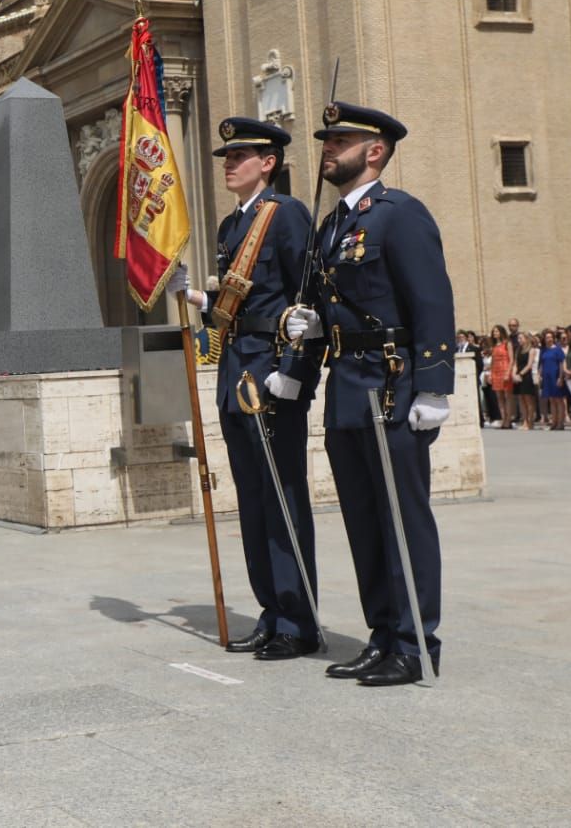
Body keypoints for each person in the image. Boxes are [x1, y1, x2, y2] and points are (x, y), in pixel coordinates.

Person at [284, 101, 455, 688]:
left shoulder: (399, 214)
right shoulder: (330, 225)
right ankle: (382, 636)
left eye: (340, 140)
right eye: (326, 140)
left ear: (374, 150)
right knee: (362, 521)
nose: (327, 148)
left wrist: (433, 385)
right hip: (347, 390)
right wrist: (304, 339)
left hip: (391, 385)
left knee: (403, 520)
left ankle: (414, 642)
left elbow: (431, 301)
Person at [169, 118, 320, 661]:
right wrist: (194, 300)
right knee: (253, 503)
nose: (229, 164)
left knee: (282, 500)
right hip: (236, 374)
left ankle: (298, 619)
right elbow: (236, 311)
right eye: (226, 156)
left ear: (268, 162)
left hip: (271, 378)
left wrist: (294, 370)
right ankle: (271, 609)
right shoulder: (231, 226)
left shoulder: (286, 216)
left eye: (241, 155)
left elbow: (306, 299)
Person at [538, 329, 566, 430]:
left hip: (556, 376)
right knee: (551, 400)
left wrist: (560, 377)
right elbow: (541, 364)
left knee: (559, 400)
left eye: (550, 337)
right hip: (547, 378)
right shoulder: (544, 350)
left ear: (553, 339)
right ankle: (554, 422)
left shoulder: (557, 350)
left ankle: (560, 422)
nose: (549, 339)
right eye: (547, 338)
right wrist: (539, 375)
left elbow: (561, 363)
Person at [487, 325, 513, 429]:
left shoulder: (507, 343)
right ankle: (503, 419)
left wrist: (508, 373)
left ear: (501, 332)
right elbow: (492, 362)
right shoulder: (494, 346)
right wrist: (490, 374)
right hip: (496, 371)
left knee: (507, 397)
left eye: (497, 331)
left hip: (505, 369)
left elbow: (511, 359)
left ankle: (508, 420)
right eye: (494, 332)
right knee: (499, 398)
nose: (495, 333)